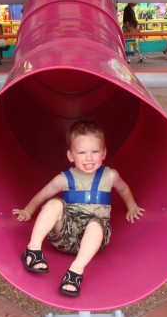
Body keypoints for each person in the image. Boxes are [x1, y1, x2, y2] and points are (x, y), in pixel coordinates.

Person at [12, 120, 144, 297]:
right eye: (81, 153)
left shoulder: (110, 175)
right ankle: (33, 249)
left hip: (94, 239)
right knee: (54, 203)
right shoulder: (64, 178)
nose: (89, 158)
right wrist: (28, 210)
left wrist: (132, 206)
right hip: (65, 235)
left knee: (96, 224)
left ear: (104, 153)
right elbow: (43, 194)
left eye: (95, 152)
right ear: (71, 155)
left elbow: (124, 189)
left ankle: (76, 270)